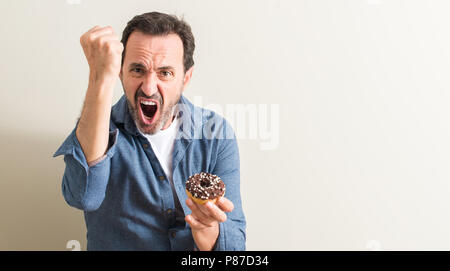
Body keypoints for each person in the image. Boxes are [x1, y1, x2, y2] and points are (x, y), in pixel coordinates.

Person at [54, 11, 246, 251]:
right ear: (120, 72)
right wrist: (99, 77)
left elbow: (235, 250)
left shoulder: (215, 133)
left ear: (186, 78)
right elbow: (83, 197)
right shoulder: (99, 130)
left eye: (165, 73)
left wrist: (208, 231)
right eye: (137, 70)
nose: (148, 87)